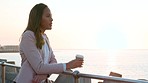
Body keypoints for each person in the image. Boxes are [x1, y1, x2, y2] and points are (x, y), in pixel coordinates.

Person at [14, 3, 83, 83]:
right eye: (48, 16)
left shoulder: (45, 37)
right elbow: (39, 67)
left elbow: (53, 61)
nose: (52, 19)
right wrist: (68, 65)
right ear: (38, 18)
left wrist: (45, 75)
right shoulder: (28, 36)